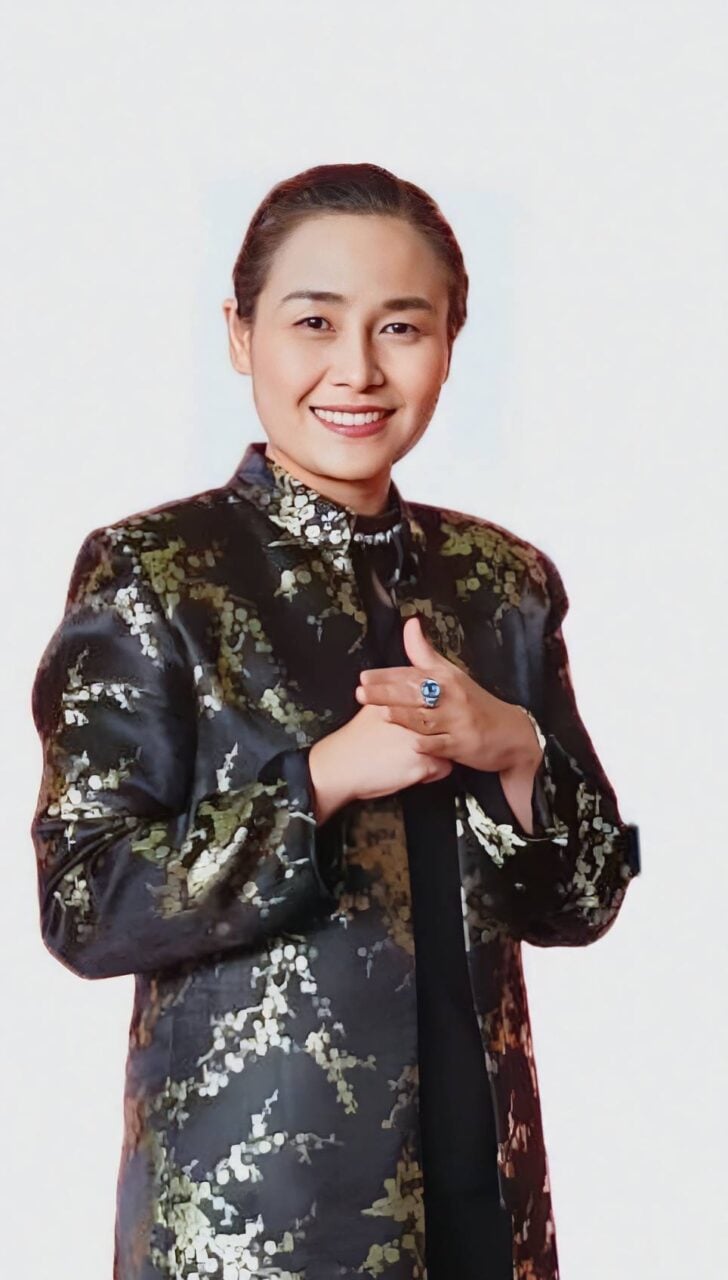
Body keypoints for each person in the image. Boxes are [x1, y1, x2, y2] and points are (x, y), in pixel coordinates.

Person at [29, 162, 641, 1280]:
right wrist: (320, 778)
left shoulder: (498, 580)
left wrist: (515, 751)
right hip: (257, 1215)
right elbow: (86, 901)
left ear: (450, 343)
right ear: (240, 332)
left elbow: (584, 901)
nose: (357, 369)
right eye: (314, 321)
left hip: (482, 1193)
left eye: (400, 326)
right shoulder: (157, 572)